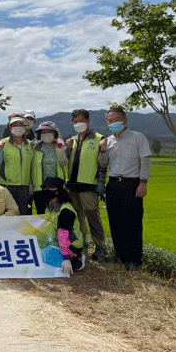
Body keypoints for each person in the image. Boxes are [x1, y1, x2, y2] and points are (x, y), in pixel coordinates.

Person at [98, 107, 151, 271]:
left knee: (133, 223)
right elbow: (103, 163)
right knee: (115, 222)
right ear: (107, 122)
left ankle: (135, 260)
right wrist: (102, 150)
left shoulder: (138, 138)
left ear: (125, 120)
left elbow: (146, 161)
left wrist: (143, 183)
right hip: (113, 184)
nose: (113, 123)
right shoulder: (108, 141)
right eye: (110, 120)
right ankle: (121, 256)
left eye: (117, 119)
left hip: (132, 184)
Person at [65, 109, 108, 261]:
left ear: (88, 121)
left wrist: (101, 182)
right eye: (75, 122)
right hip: (72, 186)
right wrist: (67, 148)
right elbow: (65, 161)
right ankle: (82, 244)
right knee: (77, 217)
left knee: (93, 217)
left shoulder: (99, 139)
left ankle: (101, 247)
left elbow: (103, 163)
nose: (78, 124)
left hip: (89, 186)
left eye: (81, 121)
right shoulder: (72, 140)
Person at [40, 177, 85, 277]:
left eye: (48, 189)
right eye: (44, 188)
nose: (45, 191)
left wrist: (65, 257)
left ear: (57, 192)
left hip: (71, 244)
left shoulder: (65, 211)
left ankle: (76, 257)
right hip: (59, 241)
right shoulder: (53, 206)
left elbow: (63, 235)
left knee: (45, 258)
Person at [0, 113, 34, 214]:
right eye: (15, 125)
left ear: (25, 127)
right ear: (10, 127)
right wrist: (0, 151)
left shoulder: (29, 144)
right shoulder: (3, 143)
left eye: (21, 124)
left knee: (22, 215)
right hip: (7, 185)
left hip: (24, 187)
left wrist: (31, 186)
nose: (18, 127)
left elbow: (32, 167)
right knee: (7, 214)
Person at [31, 121, 68, 214]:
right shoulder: (34, 148)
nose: (46, 134)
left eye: (49, 132)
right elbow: (30, 168)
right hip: (40, 188)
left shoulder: (59, 146)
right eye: (43, 132)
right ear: (39, 134)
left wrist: (60, 151)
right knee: (42, 215)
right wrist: (31, 185)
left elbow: (64, 163)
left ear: (55, 133)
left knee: (57, 214)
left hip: (56, 188)